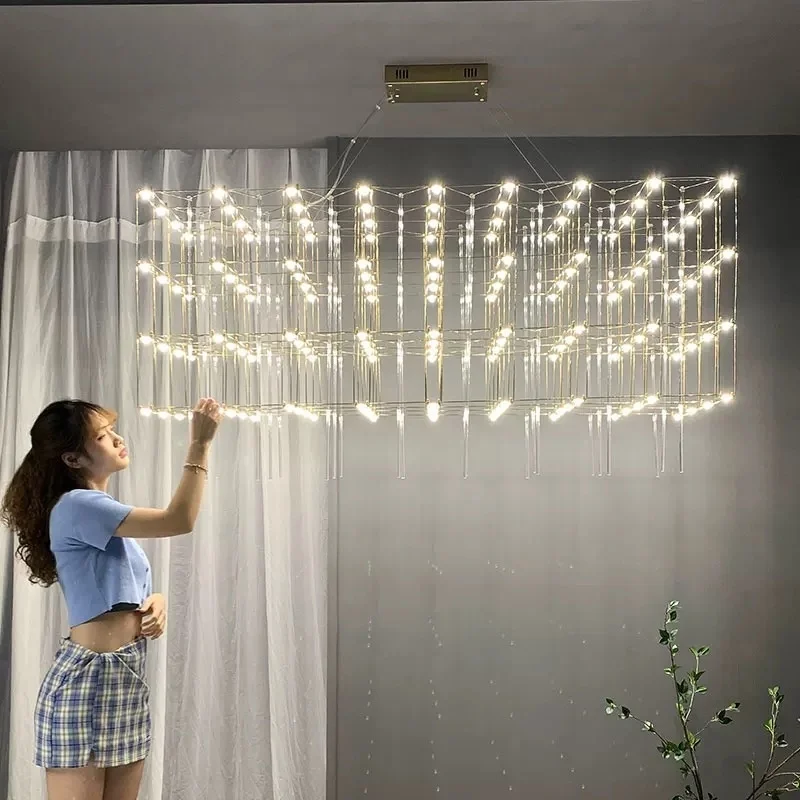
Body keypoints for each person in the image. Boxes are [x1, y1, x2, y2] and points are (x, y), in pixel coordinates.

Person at [0, 397, 223, 800]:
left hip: (125, 677)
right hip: (89, 679)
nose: (118, 439)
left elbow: (118, 591)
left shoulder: (100, 513)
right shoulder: (77, 505)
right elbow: (180, 520)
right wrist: (200, 445)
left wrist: (155, 602)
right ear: (72, 459)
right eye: (102, 436)